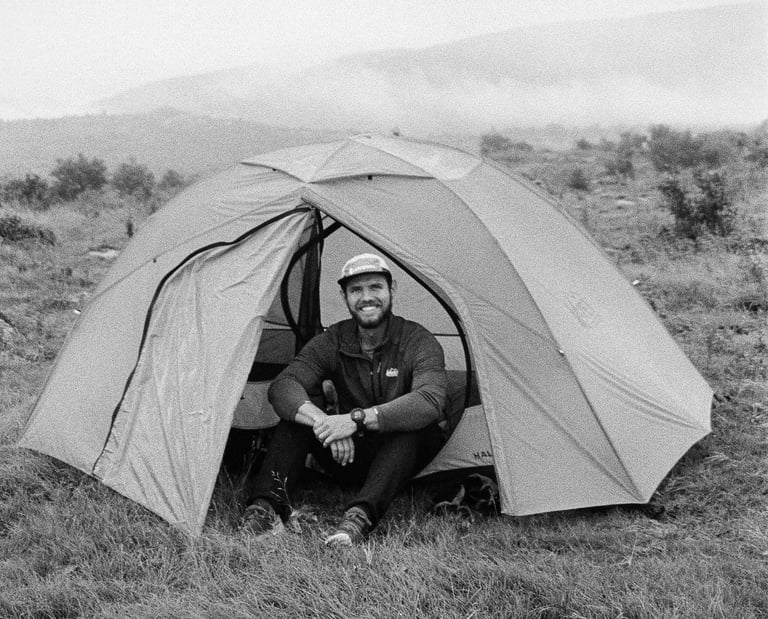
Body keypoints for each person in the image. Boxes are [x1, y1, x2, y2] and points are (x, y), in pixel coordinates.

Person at [242, 253, 449, 545]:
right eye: (356, 290)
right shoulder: (335, 339)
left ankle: (357, 519)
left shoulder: (417, 339)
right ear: (344, 296)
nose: (367, 297)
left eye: (375, 287)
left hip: (402, 455)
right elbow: (283, 386)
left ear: (392, 290)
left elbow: (430, 400)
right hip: (350, 453)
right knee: (295, 421)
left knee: (411, 429)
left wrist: (356, 420)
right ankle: (262, 508)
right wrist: (326, 423)